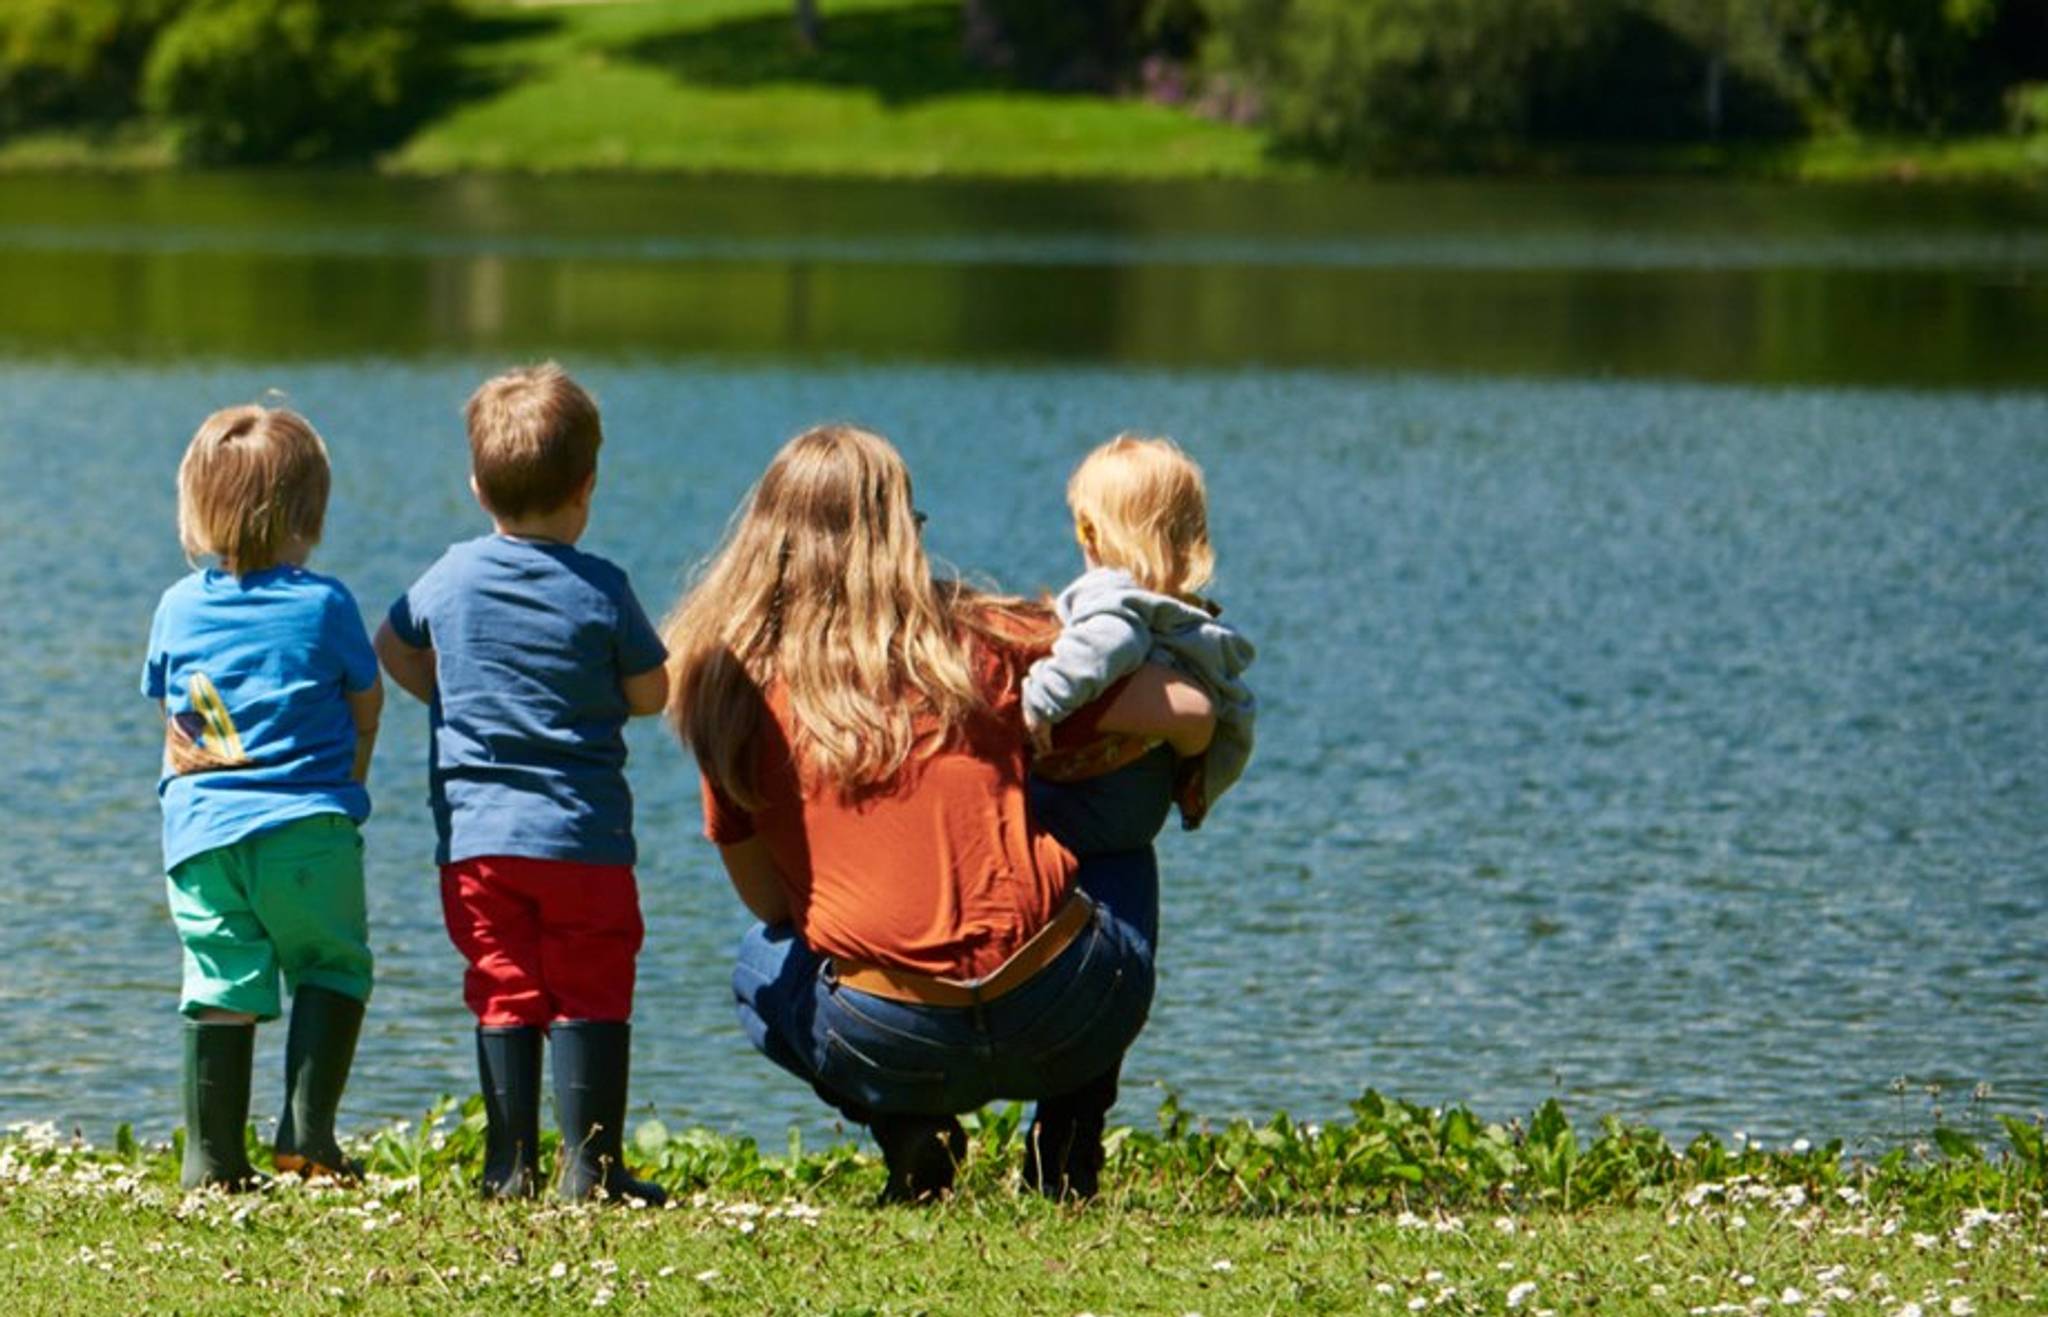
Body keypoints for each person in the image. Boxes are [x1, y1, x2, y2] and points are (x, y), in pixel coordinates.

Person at [663, 424, 1215, 1202]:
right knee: (1119, 845)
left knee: (761, 962)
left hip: (887, 1038)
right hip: (1061, 1009)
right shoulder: (985, 639)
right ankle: (1068, 1144)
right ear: (898, 536)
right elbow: (1186, 708)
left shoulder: (733, 690)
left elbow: (772, 904)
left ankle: (911, 1133)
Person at [376, 364, 670, 1205]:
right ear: (587, 487)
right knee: (592, 983)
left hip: (475, 842)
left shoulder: (450, 575)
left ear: (477, 487)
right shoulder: (602, 588)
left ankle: (509, 1165)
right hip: (582, 839)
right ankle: (594, 1168)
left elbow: (391, 647)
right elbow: (654, 692)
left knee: (504, 980)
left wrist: (448, 691)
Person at [142, 404, 383, 1190]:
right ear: (311, 512)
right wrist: (352, 781)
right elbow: (365, 702)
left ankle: (211, 1158)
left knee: (219, 979)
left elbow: (171, 713)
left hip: (200, 835)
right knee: (332, 963)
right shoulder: (326, 605)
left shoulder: (176, 606)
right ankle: (308, 1137)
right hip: (306, 826)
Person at [1023, 434, 1257, 855]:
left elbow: (1112, 641)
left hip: (1097, 798)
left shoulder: (1111, 595)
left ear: (1090, 532)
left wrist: (1040, 700)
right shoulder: (1177, 612)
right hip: (1142, 804)